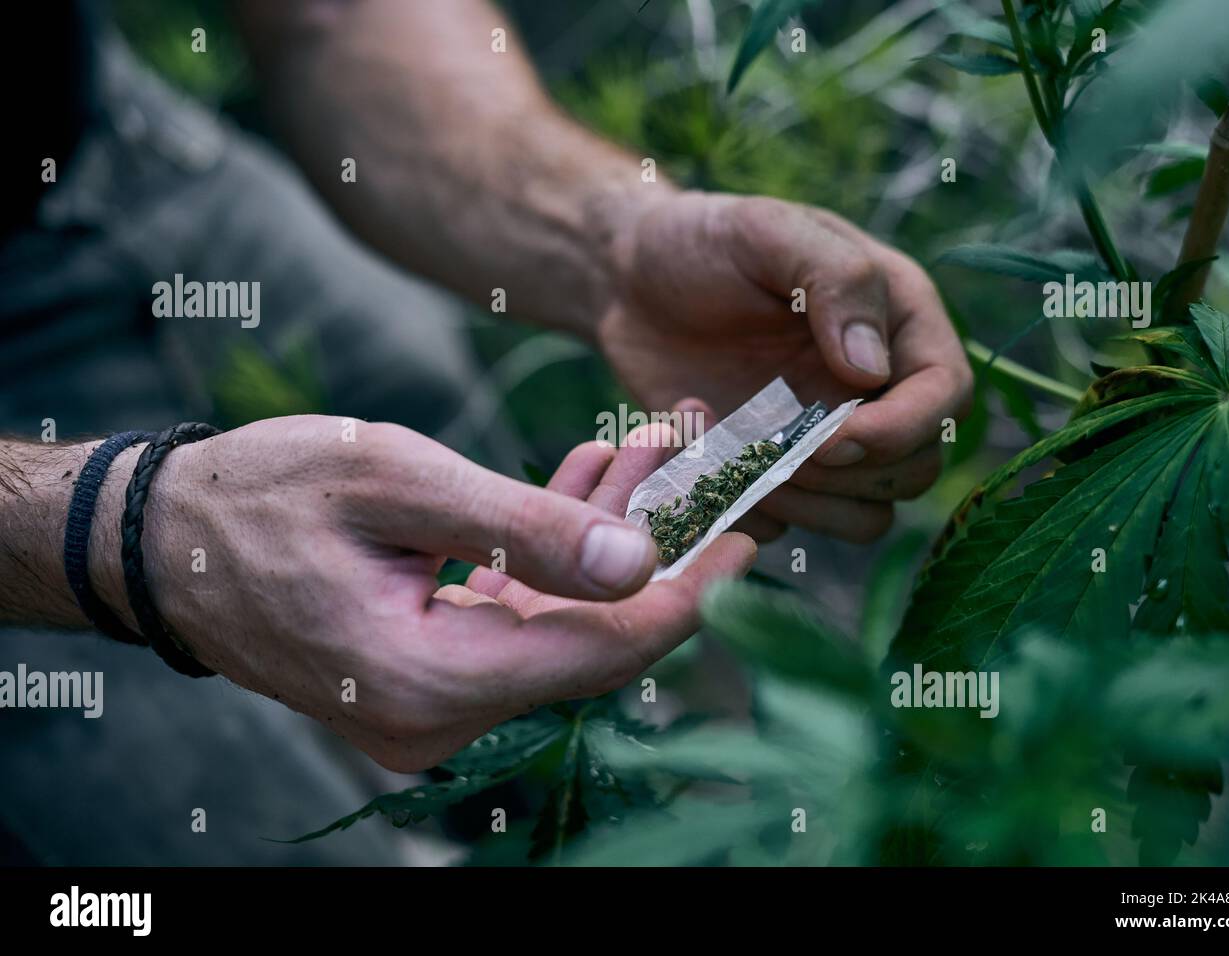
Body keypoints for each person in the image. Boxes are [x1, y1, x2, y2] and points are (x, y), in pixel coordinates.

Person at [0, 0, 971, 864]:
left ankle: (566, 792)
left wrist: (617, 244)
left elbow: (327, 17)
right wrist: (113, 529)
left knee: (414, 394)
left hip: (98, 137)